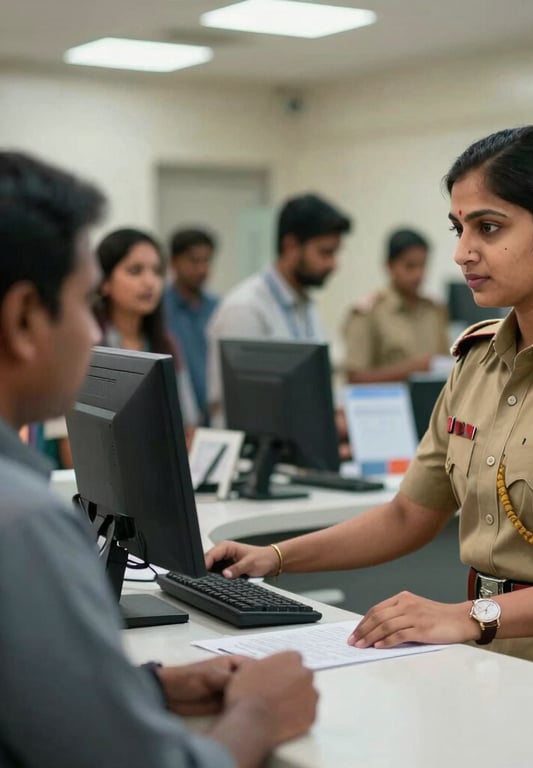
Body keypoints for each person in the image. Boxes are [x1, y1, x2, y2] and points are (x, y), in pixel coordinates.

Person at [206, 125, 533, 697]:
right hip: (491, 659)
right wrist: (273, 557)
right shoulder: (477, 360)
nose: (463, 251)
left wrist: (468, 617)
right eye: (459, 228)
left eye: (488, 228)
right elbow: (408, 516)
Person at [0, 152, 317, 766]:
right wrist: (259, 712)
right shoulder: (23, 525)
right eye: (82, 301)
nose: (93, 336)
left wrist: (143, 687)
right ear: (22, 319)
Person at [206, 193, 351, 423]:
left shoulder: (305, 304)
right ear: (291, 246)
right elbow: (243, 407)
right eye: (325, 252)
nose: (333, 264)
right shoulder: (246, 309)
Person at [96, 228, 199, 429]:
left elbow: (188, 427)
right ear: (104, 282)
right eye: (135, 270)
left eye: (157, 271)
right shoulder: (85, 344)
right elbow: (72, 449)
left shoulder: (167, 343)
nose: (150, 282)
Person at [342, 228, 450, 383]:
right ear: (389, 266)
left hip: (432, 403)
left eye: (423, 265)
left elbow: (444, 367)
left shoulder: (434, 310)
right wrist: (412, 370)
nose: (418, 274)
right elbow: (354, 377)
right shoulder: (369, 312)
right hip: (385, 404)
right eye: (410, 266)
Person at [164, 227, 219, 425]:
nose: (202, 269)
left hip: (214, 419)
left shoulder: (217, 308)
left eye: (207, 261)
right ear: (173, 262)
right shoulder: (159, 310)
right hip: (175, 419)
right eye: (194, 261)